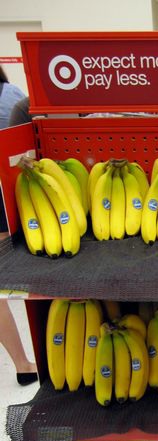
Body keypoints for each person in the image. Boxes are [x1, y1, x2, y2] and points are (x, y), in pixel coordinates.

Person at [0, 66, 37, 385]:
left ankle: (22, 363)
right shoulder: (11, 96)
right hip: (9, 194)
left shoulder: (17, 102)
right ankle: (23, 363)